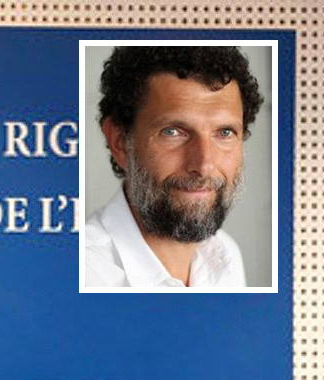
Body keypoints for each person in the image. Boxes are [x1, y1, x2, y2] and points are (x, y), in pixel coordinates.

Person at [84, 46, 264, 288]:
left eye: (224, 133)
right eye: (172, 132)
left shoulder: (225, 255)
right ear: (120, 142)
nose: (204, 166)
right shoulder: (83, 273)